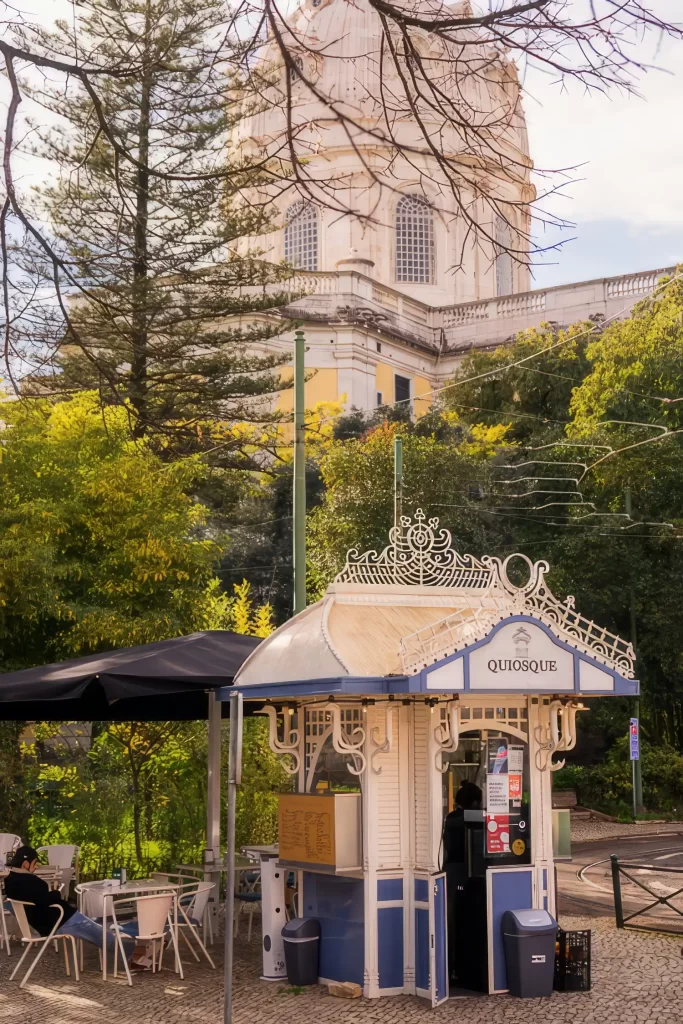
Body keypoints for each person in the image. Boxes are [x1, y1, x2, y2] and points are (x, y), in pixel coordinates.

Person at [4, 846, 147, 969]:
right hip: (61, 920)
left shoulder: (9, 881)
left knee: (97, 928)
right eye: (34, 864)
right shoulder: (32, 881)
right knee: (102, 935)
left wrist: (52, 895)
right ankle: (135, 951)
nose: (36, 868)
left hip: (51, 922)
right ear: (25, 864)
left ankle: (134, 944)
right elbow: (47, 899)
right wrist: (55, 893)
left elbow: (39, 900)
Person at [442, 781, 482, 866]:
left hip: (452, 864)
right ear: (475, 803)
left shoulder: (451, 817)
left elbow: (447, 844)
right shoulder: (475, 819)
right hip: (470, 866)